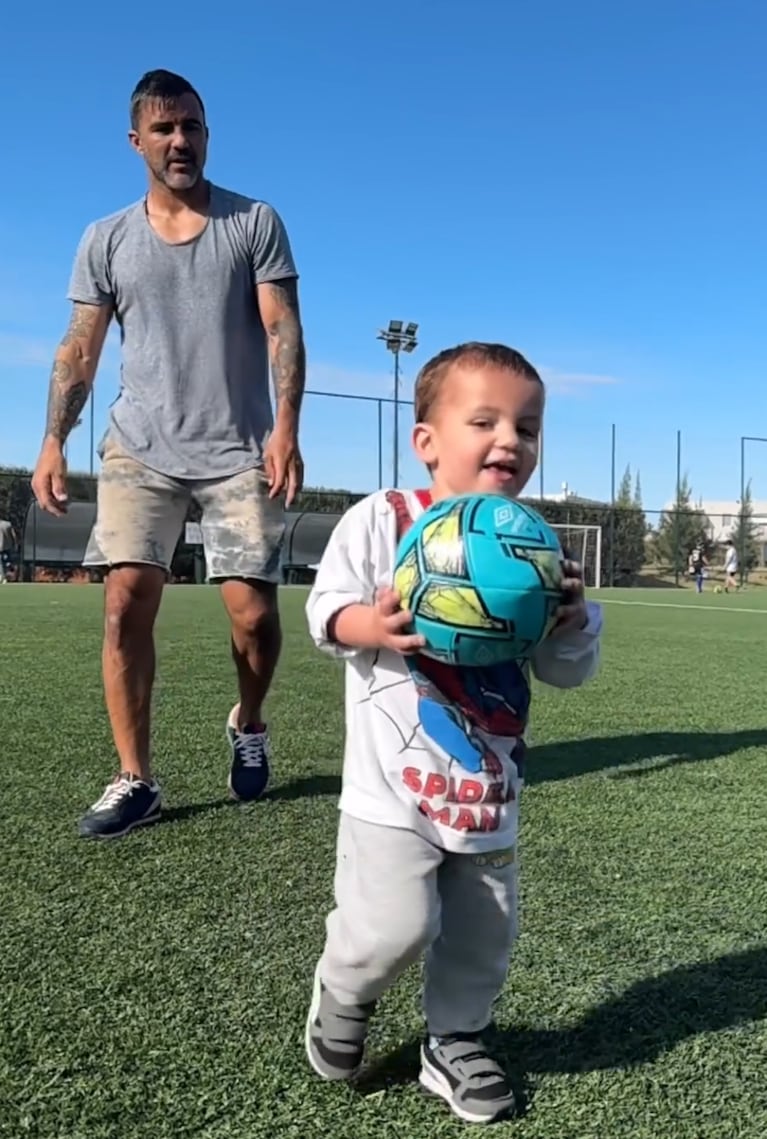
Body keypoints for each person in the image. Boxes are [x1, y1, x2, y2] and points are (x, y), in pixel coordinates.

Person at [303, 342, 603, 1124]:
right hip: (389, 794)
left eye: (527, 427)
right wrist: (370, 622)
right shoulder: (382, 520)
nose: (511, 439)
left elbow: (565, 672)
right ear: (427, 440)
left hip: (487, 792)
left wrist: (571, 622)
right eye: (485, 420)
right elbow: (323, 611)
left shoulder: (537, 550)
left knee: (482, 934)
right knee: (390, 927)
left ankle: (456, 1039)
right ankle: (345, 986)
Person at [30, 69, 306, 839]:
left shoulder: (253, 222)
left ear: (207, 134)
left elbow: (282, 328)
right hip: (139, 446)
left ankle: (248, 720)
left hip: (238, 446)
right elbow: (79, 348)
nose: (179, 140)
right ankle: (135, 778)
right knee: (125, 602)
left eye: (190, 125)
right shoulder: (105, 239)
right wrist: (53, 438)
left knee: (252, 615)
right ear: (136, 141)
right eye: (163, 129)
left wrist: (286, 426)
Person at [0, 518, 15, 583]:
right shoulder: (8, 524)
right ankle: (9, 566)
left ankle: (3, 576)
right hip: (8, 546)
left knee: (1, 563)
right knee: (7, 561)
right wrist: (15, 543)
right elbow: (13, 535)